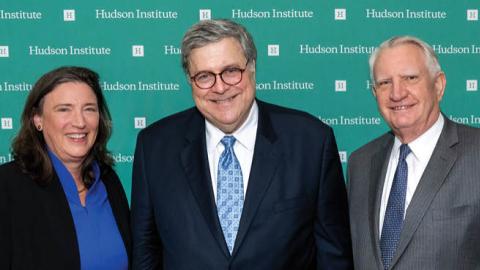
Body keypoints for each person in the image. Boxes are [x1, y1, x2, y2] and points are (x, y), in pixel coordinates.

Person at [131, 19, 352, 269]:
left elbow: (334, 255)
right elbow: (144, 251)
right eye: (204, 76)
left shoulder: (311, 141)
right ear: (189, 80)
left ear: (252, 67)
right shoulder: (154, 147)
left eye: (231, 71)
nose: (220, 87)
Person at [348, 35, 480, 270]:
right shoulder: (361, 162)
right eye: (384, 83)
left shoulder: (476, 153)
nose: (397, 93)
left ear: (438, 85)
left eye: (410, 78)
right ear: (374, 93)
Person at [0, 66, 131, 270]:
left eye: (89, 109)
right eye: (64, 109)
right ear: (38, 119)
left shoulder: (108, 180)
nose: (79, 122)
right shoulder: (8, 185)